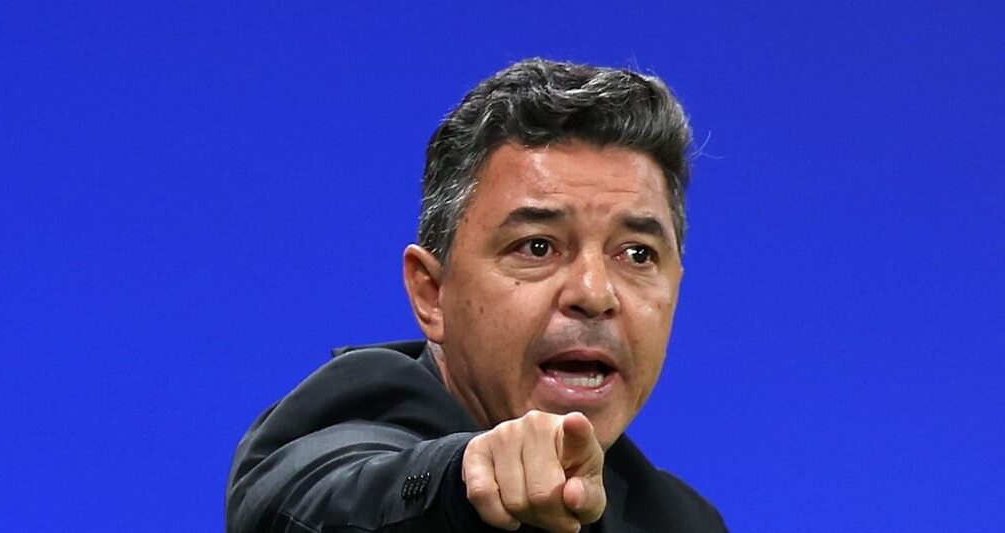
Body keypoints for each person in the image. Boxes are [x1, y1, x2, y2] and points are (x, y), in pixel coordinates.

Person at [227, 58, 727, 532]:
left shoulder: (675, 519)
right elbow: (317, 501)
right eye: (537, 246)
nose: (595, 294)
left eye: (637, 254)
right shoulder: (345, 424)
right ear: (431, 293)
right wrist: (465, 482)